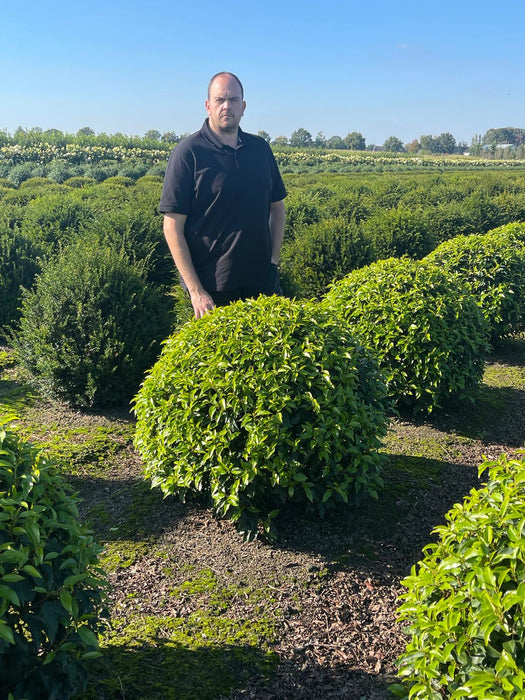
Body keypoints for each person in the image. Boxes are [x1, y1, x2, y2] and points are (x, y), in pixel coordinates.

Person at [159, 72, 287, 318]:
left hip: (263, 285)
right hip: (213, 291)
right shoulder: (188, 153)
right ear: (208, 106)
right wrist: (196, 290)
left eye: (233, 100)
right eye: (220, 100)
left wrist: (273, 261)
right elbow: (172, 227)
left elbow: (277, 206)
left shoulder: (260, 149)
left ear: (244, 107)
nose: (227, 106)